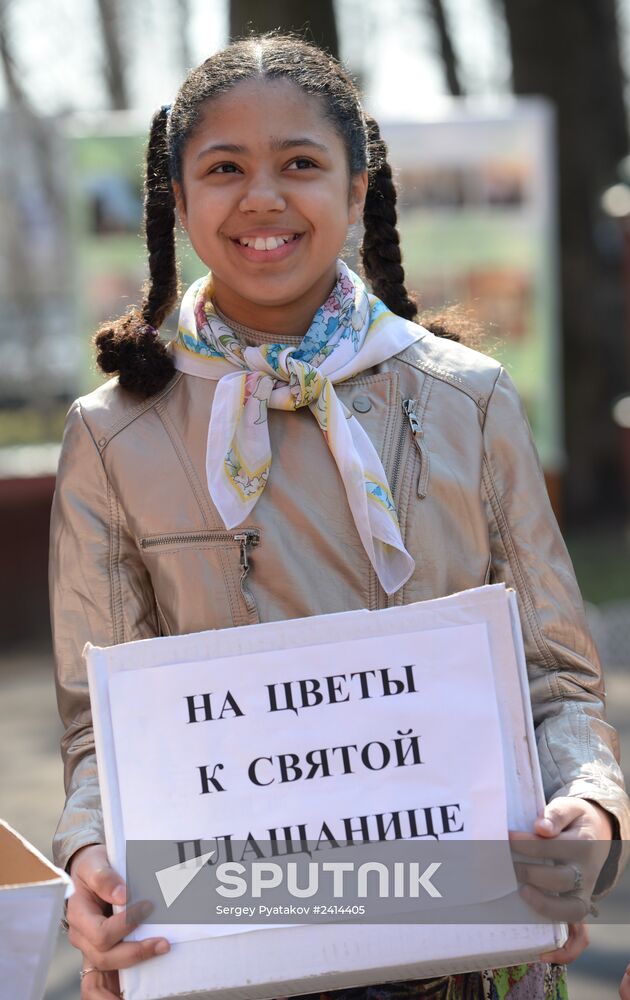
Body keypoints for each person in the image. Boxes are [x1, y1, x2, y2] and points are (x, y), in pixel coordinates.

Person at [50, 34, 628, 1000]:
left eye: (302, 165)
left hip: (470, 958)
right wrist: (93, 858)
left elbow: (557, 678)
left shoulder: (469, 403)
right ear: (179, 202)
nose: (263, 198)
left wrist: (588, 810)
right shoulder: (112, 438)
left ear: (359, 191)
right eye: (224, 168)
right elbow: (96, 733)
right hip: (228, 959)